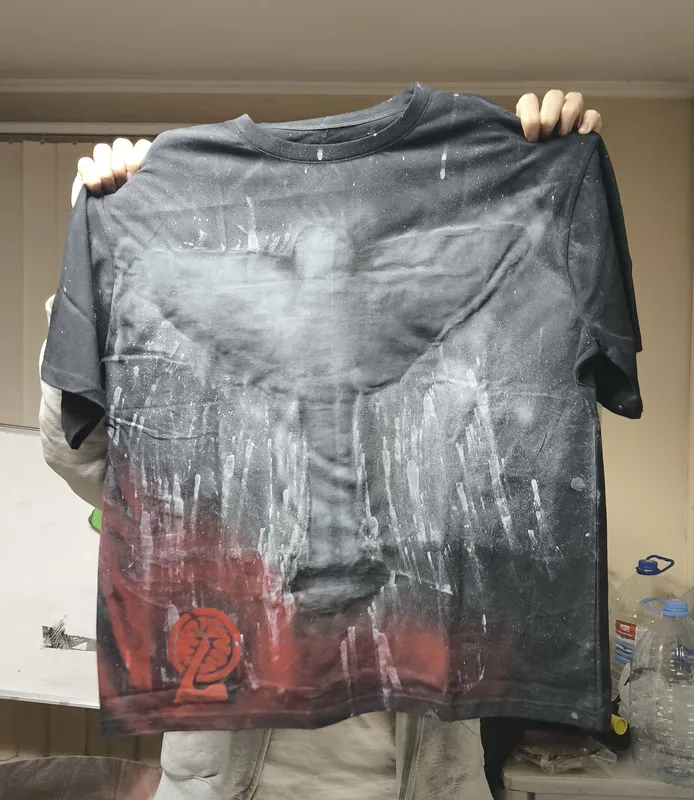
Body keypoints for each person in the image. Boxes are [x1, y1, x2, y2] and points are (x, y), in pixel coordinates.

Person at [40, 90, 604, 800]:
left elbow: (530, 485)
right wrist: (98, 270)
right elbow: (76, 450)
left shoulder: (451, 427)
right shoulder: (202, 428)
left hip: (421, 777)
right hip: (230, 781)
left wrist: (543, 173)